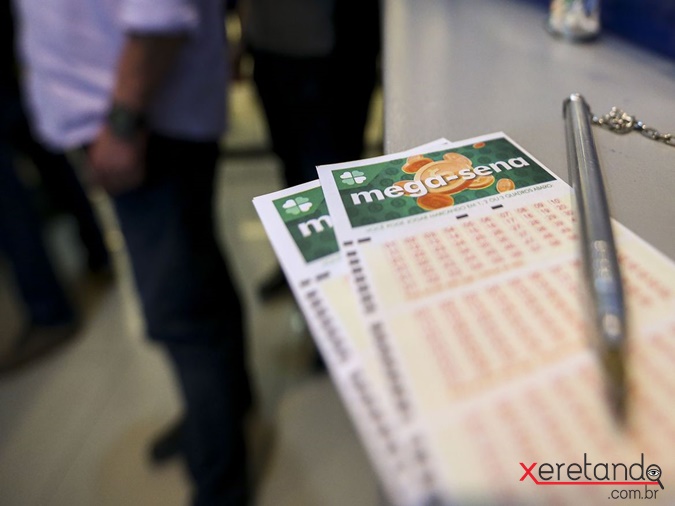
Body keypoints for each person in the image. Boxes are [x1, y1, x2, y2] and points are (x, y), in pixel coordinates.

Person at [12, 0, 253, 503]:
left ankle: (221, 474)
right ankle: (225, 411)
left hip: (143, 121)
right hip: (134, 114)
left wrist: (123, 125)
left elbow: (158, 15)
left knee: (178, 306)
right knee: (196, 269)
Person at [240, 0, 381, 300]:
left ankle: (336, 289)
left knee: (331, 181)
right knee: (291, 173)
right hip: (269, 44)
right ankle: (301, 264)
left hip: (330, 51)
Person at [0, 1, 109, 374]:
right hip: (17, 56)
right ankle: (98, 252)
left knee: (10, 204)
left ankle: (49, 311)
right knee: (48, 154)